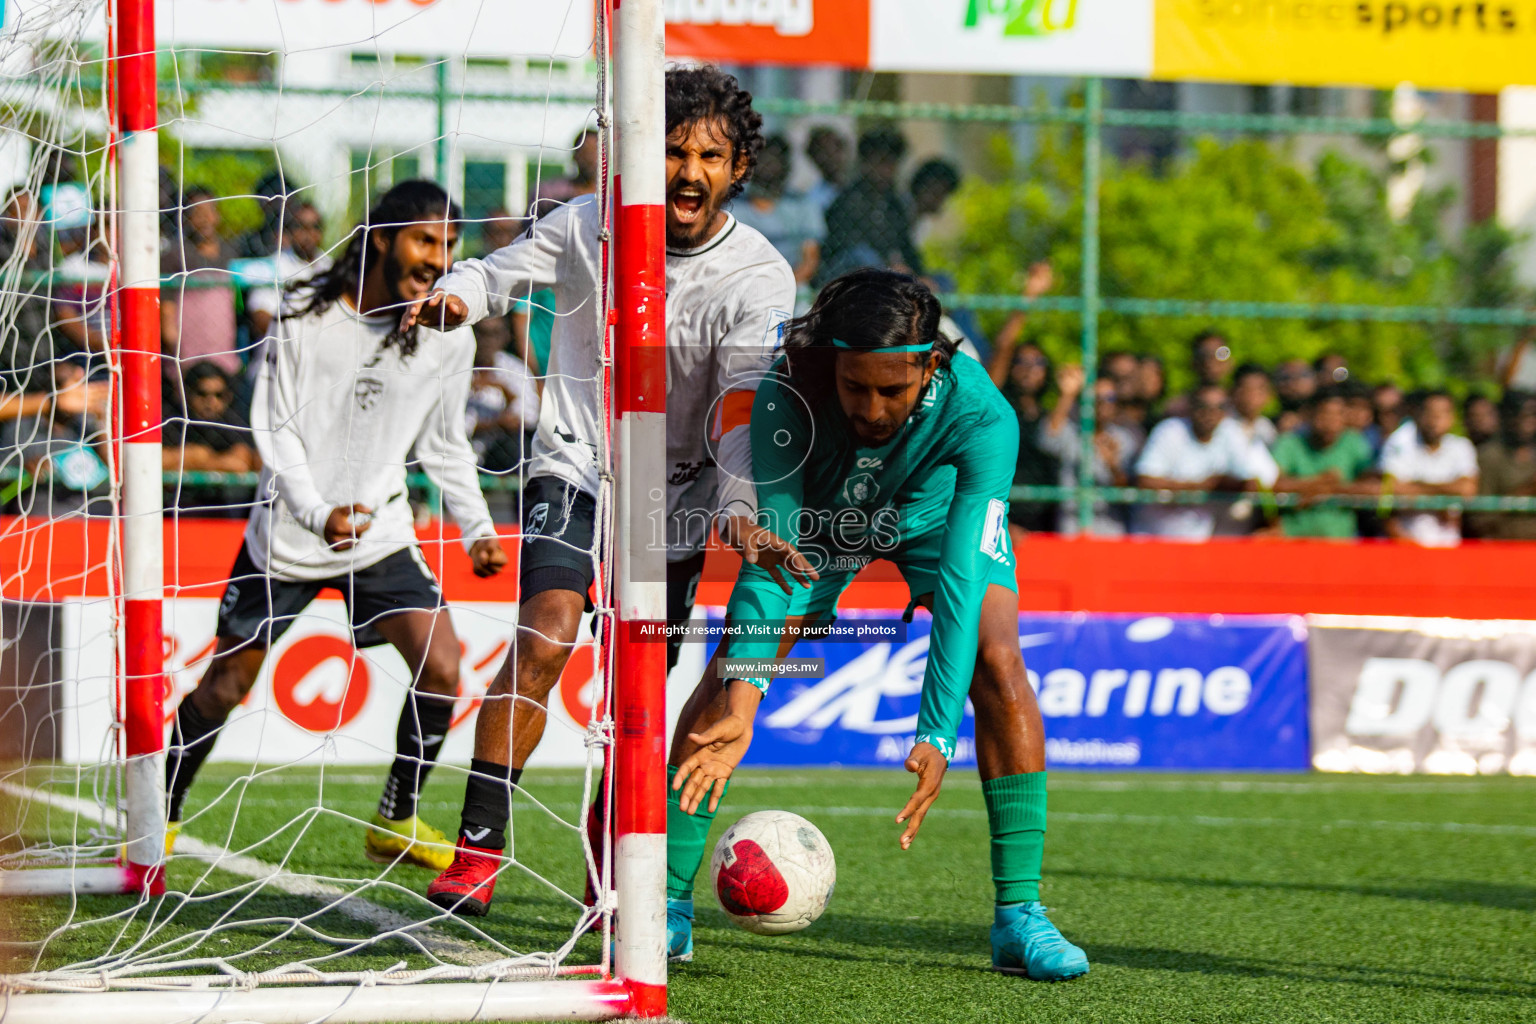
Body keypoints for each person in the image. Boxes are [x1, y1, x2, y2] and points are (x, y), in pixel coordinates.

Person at [401, 66, 799, 916]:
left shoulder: (759, 275)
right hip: (577, 461)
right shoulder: (588, 224)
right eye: (670, 150)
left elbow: (741, 403)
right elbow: (496, 272)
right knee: (544, 636)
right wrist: (456, 298)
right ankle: (479, 848)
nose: (688, 171)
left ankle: (609, 845)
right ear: (635, 155)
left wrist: (735, 503)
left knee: (638, 690)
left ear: (737, 169)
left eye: (710, 155)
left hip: (674, 496)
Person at [663, 269, 1088, 980]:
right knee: (729, 676)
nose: (872, 408)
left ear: (932, 364)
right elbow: (772, 561)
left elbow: (961, 582)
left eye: (894, 389)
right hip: (819, 524)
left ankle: (1020, 916)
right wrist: (744, 707)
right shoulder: (785, 396)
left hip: (930, 513)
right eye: (855, 385)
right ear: (830, 361)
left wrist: (933, 733)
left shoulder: (984, 417)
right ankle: (667, 904)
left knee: (997, 656)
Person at [163, 181, 509, 872]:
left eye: (448, 246)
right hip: (290, 535)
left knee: (443, 666)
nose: (437, 260)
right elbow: (274, 428)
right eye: (423, 241)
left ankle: (395, 817)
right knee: (224, 689)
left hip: (378, 532)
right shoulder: (301, 310)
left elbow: (442, 445)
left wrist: (476, 527)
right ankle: (157, 816)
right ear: (382, 238)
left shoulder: (448, 332)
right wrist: (319, 512)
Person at [1133, 383, 1279, 540]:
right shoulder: (1170, 430)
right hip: (1154, 537)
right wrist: (1202, 486)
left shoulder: (1230, 431)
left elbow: (1253, 481)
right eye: (1203, 406)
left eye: (1219, 407)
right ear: (1191, 408)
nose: (1210, 413)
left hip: (1198, 540)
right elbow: (1145, 480)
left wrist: (1227, 483)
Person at [1038, 365, 1137, 535]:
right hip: (1071, 528)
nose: (1103, 404)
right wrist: (1067, 395)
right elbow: (1047, 439)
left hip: (1110, 531)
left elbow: (1129, 494)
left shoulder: (1125, 439)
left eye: (1109, 398)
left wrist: (1113, 466)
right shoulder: (1072, 433)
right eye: (1096, 398)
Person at [1268, 387, 1376, 538]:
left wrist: (1331, 489)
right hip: (1293, 538)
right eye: (1325, 414)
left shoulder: (1354, 443)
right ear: (1310, 414)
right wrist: (1319, 482)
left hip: (1339, 541)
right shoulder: (1290, 443)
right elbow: (1273, 484)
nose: (1331, 422)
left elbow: (1372, 487)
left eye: (1338, 414)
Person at [820, 127, 923, 283]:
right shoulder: (847, 200)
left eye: (892, 162)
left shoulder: (895, 204)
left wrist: (921, 274)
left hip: (884, 270)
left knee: (943, 280)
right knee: (863, 255)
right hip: (845, 273)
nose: (887, 169)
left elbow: (906, 247)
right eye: (881, 162)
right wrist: (890, 265)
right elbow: (845, 246)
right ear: (865, 163)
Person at [161, 185, 241, 384]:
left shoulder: (231, 253)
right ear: (186, 218)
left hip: (224, 350)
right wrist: (175, 346)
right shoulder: (175, 254)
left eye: (209, 211)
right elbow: (167, 308)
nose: (205, 218)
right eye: (197, 213)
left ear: (218, 215)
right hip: (188, 352)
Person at [1380, 390, 1478, 547]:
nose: (1435, 420)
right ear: (1419, 415)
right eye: (1430, 413)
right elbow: (1392, 488)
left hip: (1447, 546)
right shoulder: (1400, 442)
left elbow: (1467, 489)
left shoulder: (1461, 447)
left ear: (1452, 418)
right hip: (1406, 544)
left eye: (1442, 414)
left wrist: (1415, 487)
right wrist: (1445, 496)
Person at [732, 134, 823, 286]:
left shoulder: (801, 205)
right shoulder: (733, 206)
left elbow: (810, 260)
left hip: (793, 286)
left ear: (786, 165)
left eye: (776, 159)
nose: (769, 165)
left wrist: (782, 287)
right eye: (764, 158)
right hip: (743, 287)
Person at [1469, 391, 1536, 540]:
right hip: (1504, 546)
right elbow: (1480, 519)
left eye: (1532, 415)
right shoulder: (1489, 457)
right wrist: (1528, 489)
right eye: (1520, 414)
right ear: (1505, 417)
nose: (1527, 421)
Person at [1230, 363, 1277, 447]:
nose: (1253, 396)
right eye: (1247, 389)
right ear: (1233, 392)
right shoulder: (1223, 425)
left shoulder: (1267, 428)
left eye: (1259, 390)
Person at [804, 126, 849, 213]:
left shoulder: (863, 190)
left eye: (837, 148)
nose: (832, 158)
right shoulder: (812, 200)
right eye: (824, 152)